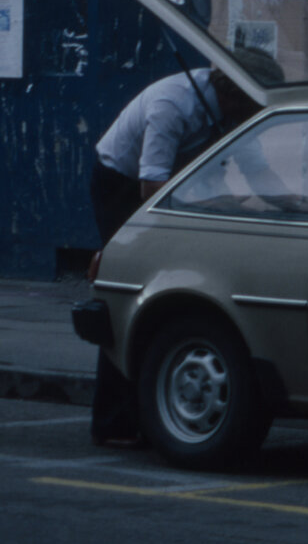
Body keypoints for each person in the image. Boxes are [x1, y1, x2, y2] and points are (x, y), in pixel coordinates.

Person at [87, 59, 260, 446]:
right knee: (128, 294)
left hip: (172, 182)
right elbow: (151, 186)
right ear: (233, 97)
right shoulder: (172, 104)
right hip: (122, 184)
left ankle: (147, 410)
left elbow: (256, 166)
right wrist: (211, 204)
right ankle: (112, 421)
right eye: (249, 108)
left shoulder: (230, 110)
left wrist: (289, 200)